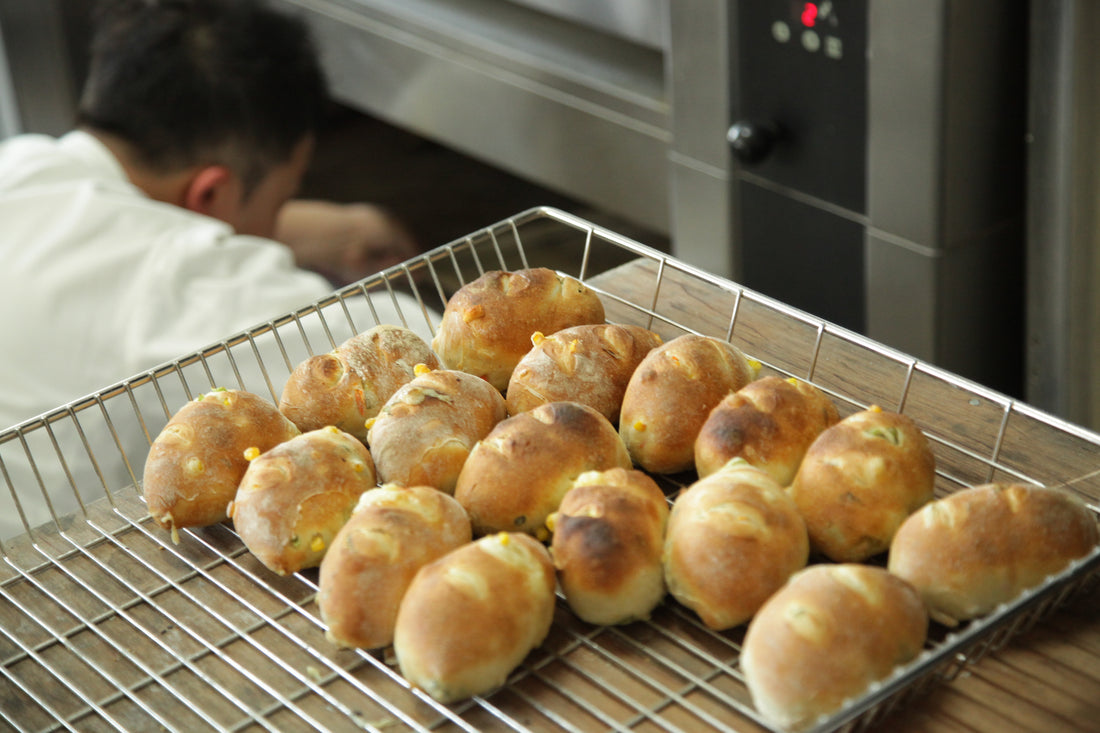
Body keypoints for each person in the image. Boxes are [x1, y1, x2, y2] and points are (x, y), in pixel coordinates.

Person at [0, 0, 433, 538]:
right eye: (282, 195)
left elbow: (137, 221)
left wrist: (317, 227)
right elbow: (401, 344)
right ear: (209, 191)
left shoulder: (20, 160)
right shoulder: (180, 284)